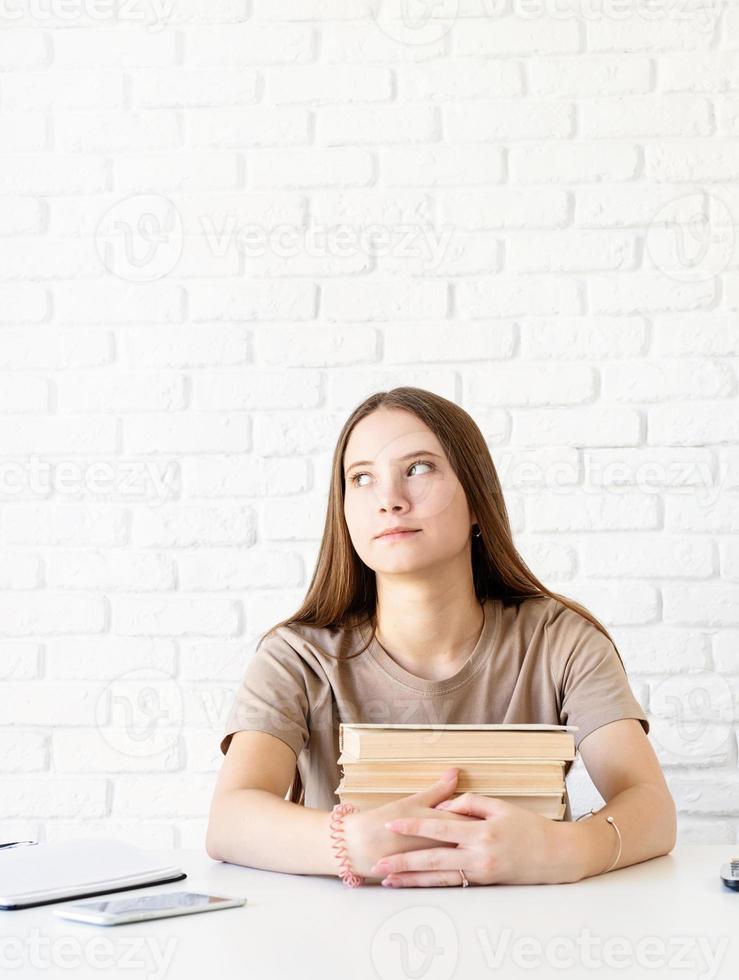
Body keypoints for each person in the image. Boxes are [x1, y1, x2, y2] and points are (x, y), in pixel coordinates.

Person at [206, 386, 676, 888]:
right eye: (361, 478)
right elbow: (229, 820)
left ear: (477, 501)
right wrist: (354, 842)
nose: (389, 501)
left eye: (418, 468)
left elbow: (652, 807)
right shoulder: (296, 658)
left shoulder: (561, 642)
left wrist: (570, 849)